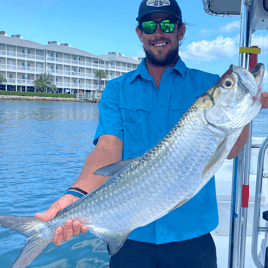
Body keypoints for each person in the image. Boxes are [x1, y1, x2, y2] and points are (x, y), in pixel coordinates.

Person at [35, 0, 268, 267]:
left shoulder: (206, 83)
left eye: (167, 24)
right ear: (140, 33)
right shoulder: (116, 90)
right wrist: (75, 195)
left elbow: (231, 151)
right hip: (129, 231)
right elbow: (107, 149)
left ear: (180, 31)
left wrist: (248, 110)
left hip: (192, 236)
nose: (159, 32)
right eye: (149, 24)